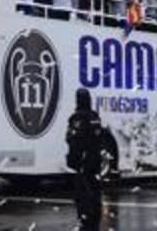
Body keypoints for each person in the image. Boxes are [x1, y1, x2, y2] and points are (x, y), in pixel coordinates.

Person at [65, 88, 104, 231]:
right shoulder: (95, 117)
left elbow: (73, 140)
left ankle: (85, 224)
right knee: (95, 193)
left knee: (83, 196)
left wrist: (73, 160)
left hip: (83, 162)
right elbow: (100, 138)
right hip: (95, 161)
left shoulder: (77, 118)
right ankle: (95, 223)